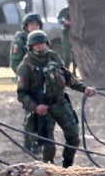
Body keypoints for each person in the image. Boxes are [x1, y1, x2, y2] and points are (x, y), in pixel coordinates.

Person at [15, 30, 96, 168]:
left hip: (60, 103)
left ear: (47, 43)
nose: (40, 46)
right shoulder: (25, 67)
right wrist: (36, 107)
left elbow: (68, 77)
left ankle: (67, 166)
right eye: (36, 44)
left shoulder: (54, 57)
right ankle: (49, 172)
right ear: (31, 47)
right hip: (43, 109)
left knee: (74, 137)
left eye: (42, 43)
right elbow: (22, 94)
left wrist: (84, 89)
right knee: (49, 145)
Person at [10, 13, 45, 157]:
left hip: (40, 82)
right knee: (30, 111)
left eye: (36, 25)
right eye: (31, 25)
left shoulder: (40, 40)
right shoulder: (20, 41)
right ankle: (29, 143)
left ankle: (38, 141)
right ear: (26, 26)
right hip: (26, 82)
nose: (34, 27)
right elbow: (14, 63)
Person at [57, 6, 74, 73]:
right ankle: (66, 70)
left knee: (76, 54)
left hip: (77, 33)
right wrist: (64, 22)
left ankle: (74, 70)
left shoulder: (79, 10)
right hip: (67, 32)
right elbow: (59, 19)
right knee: (67, 53)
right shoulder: (65, 11)